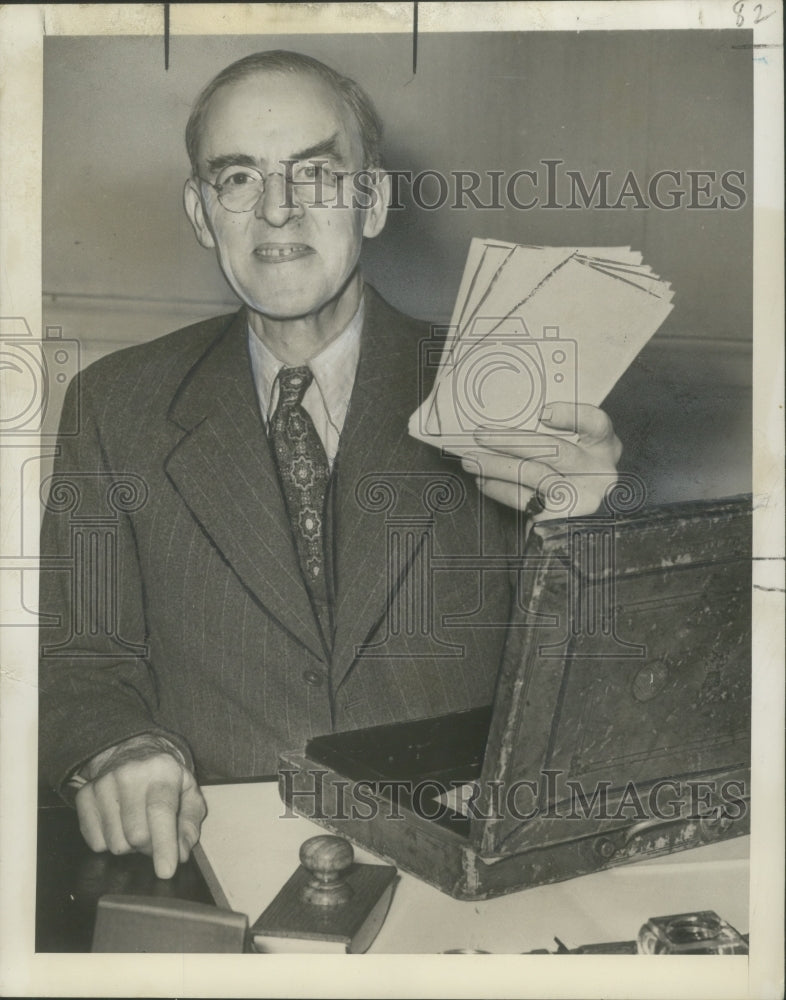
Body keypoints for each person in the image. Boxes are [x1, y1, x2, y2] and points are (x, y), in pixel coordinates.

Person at [38, 51, 621, 878]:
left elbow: (597, 687)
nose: (277, 211)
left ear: (372, 200)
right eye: (237, 178)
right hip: (208, 858)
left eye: (314, 174)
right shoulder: (113, 405)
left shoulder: (507, 386)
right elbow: (78, 660)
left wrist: (590, 534)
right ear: (203, 214)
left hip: (462, 868)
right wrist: (115, 745)